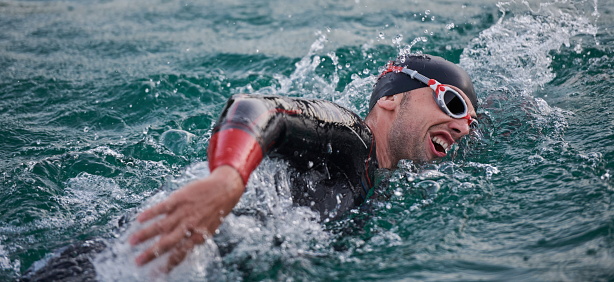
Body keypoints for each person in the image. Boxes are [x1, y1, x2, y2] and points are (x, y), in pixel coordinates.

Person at [128, 53, 479, 273]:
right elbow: (258, 109)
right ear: (390, 99)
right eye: (452, 103)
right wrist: (228, 178)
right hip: (144, 254)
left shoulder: (380, 181)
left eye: (471, 123)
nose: (463, 126)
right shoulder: (349, 135)